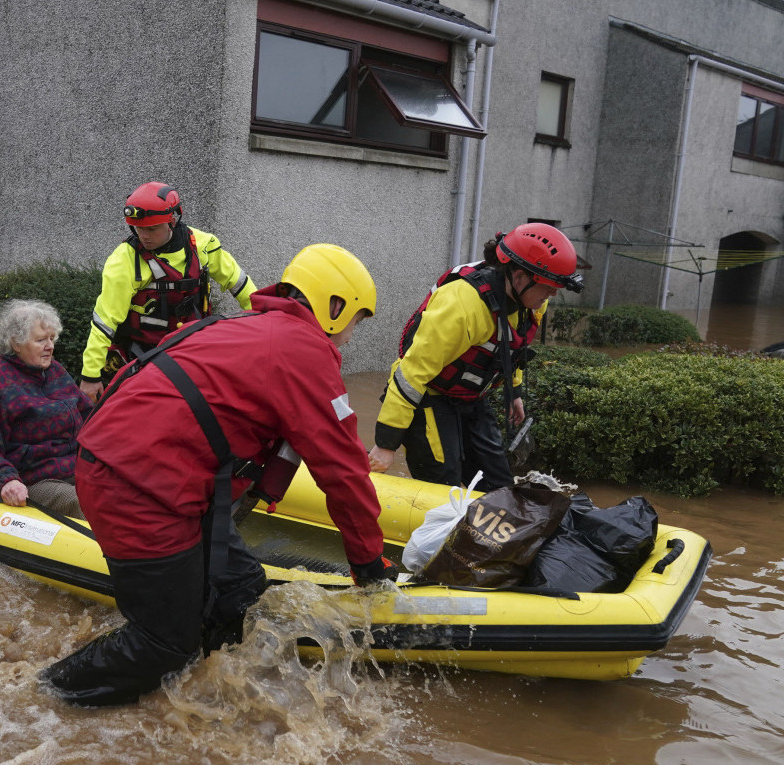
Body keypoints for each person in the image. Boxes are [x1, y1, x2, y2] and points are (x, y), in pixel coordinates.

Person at [41, 243, 397, 707]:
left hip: (150, 470)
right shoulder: (304, 351)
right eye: (357, 320)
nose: (352, 335)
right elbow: (344, 472)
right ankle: (44, 696)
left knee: (241, 589)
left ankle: (207, 694)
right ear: (335, 307)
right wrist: (370, 566)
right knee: (165, 642)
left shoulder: (243, 325)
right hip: (137, 484)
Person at [367, 223, 583, 491]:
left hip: (471, 397)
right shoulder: (463, 304)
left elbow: (513, 348)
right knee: (442, 481)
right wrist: (386, 445)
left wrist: (513, 392)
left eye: (556, 289)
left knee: (498, 485)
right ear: (519, 277)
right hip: (429, 395)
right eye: (549, 288)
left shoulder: (532, 300)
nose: (552, 295)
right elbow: (411, 373)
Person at [78, 181, 257, 401]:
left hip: (195, 351)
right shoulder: (124, 260)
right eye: (138, 228)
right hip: (144, 358)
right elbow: (104, 320)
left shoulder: (203, 245)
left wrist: (265, 324)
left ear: (172, 220)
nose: (144, 235)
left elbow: (242, 286)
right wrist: (90, 375)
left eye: (152, 228)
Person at [0, 299, 93, 520]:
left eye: (51, 338)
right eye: (41, 340)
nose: (50, 346)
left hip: (77, 466)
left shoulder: (55, 371)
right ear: (16, 343)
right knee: (85, 502)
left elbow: (89, 417)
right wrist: (6, 479)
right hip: (33, 479)